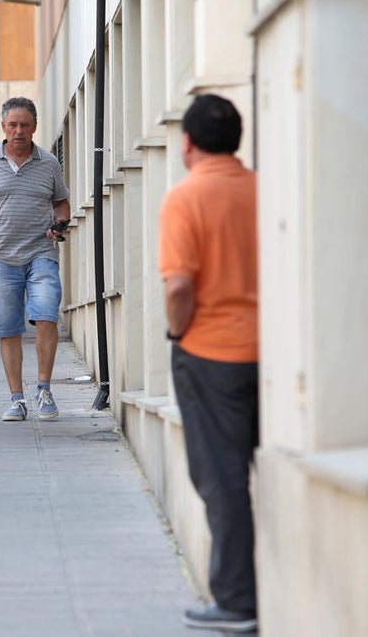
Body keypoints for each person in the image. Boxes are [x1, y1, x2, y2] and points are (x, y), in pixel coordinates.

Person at [158, 94, 259, 633]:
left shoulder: (185, 197)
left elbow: (178, 285)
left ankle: (238, 600)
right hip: (271, 352)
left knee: (221, 479)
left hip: (211, 354)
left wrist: (178, 331)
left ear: (188, 143)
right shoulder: (263, 189)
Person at [0, 97, 70, 422]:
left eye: (25, 125)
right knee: (9, 329)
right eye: (13, 125)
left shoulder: (48, 163)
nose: (19, 131)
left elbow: (61, 203)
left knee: (46, 315)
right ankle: (16, 399)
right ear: (3, 127)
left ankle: (44, 389)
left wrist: (59, 224)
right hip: (1, 257)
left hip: (41, 253)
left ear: (35, 127)